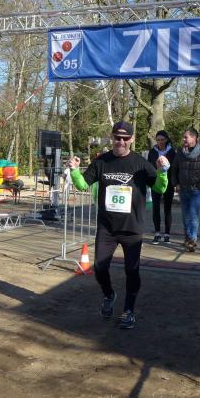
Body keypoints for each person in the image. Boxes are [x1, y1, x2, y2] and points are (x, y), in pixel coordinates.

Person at [66, 121, 169, 329]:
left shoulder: (141, 163)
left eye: (125, 138)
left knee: (132, 270)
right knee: (100, 267)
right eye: (117, 137)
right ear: (112, 137)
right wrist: (74, 171)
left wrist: (163, 172)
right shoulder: (101, 161)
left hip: (132, 227)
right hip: (107, 227)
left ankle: (129, 310)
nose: (120, 142)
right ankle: (109, 295)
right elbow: (83, 185)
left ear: (132, 139)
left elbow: (159, 189)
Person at [172, 127, 200, 252]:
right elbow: (174, 169)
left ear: (194, 138)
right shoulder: (180, 152)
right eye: (183, 137)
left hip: (196, 190)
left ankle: (192, 240)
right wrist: (176, 183)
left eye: (186, 137)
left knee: (193, 215)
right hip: (183, 189)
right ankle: (188, 238)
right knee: (185, 215)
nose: (183, 139)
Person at [147, 130, 175, 243]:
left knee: (167, 209)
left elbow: (175, 168)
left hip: (168, 183)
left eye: (162, 140)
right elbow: (149, 166)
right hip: (155, 183)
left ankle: (167, 234)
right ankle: (157, 233)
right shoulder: (152, 152)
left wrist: (175, 182)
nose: (160, 142)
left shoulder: (172, 152)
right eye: (158, 140)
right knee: (156, 208)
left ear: (166, 140)